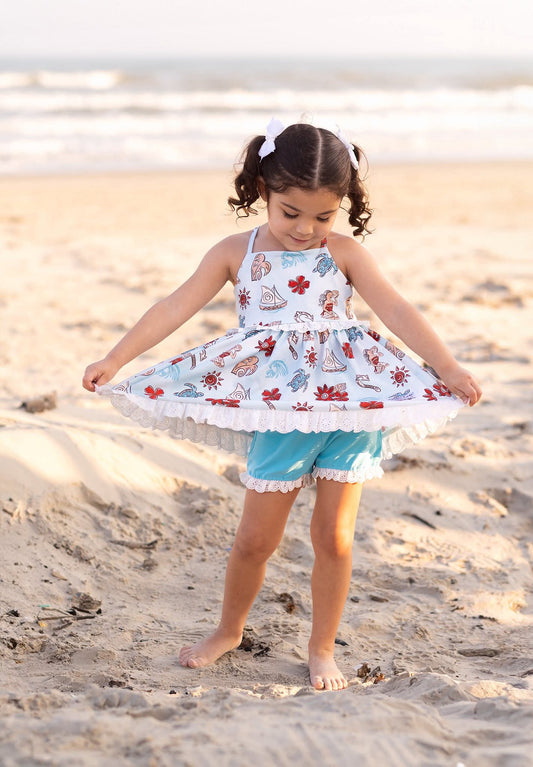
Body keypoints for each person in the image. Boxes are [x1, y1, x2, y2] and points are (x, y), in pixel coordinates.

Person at [83, 120, 482, 691]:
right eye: (291, 212)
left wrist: (447, 366)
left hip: (351, 406)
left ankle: (322, 648)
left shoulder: (344, 253)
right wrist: (116, 358)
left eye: (324, 216)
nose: (305, 229)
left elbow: (396, 310)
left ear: (342, 207)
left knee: (334, 538)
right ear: (262, 190)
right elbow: (174, 306)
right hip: (281, 411)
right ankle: (229, 630)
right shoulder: (235, 253)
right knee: (255, 540)